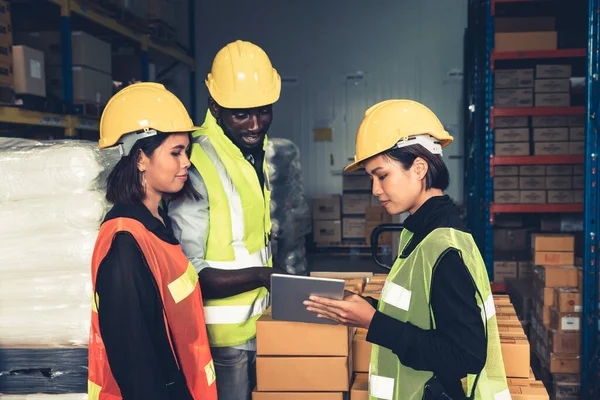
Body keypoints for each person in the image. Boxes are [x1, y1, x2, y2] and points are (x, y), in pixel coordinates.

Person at [305, 100, 510, 400]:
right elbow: (420, 314)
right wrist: (365, 307)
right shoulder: (422, 232)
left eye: (382, 175)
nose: (375, 189)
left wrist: (372, 322)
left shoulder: (445, 248)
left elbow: (464, 355)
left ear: (419, 168)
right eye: (371, 178)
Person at [88, 82, 217, 400]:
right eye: (176, 152)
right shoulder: (124, 244)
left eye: (186, 151)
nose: (186, 162)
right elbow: (136, 364)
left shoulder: (155, 224)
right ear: (141, 159)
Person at [167, 40, 281, 400]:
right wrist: (264, 277)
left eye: (263, 111)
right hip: (222, 340)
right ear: (215, 107)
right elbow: (189, 271)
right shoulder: (196, 162)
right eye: (241, 114)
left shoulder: (251, 153)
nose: (254, 123)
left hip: (258, 323)